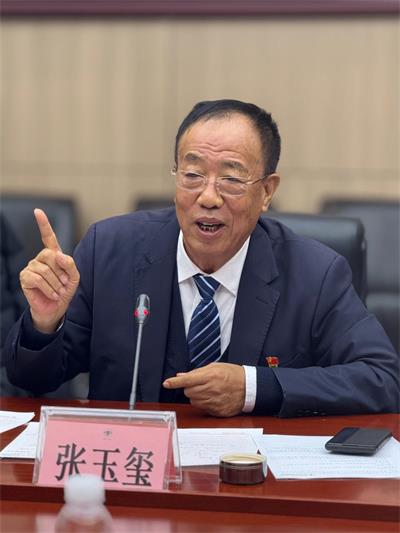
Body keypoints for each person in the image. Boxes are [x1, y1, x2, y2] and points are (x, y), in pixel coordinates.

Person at [3, 99, 399, 417]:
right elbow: (31, 379)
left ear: (267, 191)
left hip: (251, 477)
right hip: (133, 474)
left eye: (231, 178)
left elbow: (382, 380)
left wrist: (254, 388)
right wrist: (44, 323)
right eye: (192, 175)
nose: (208, 197)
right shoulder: (109, 250)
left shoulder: (314, 273)